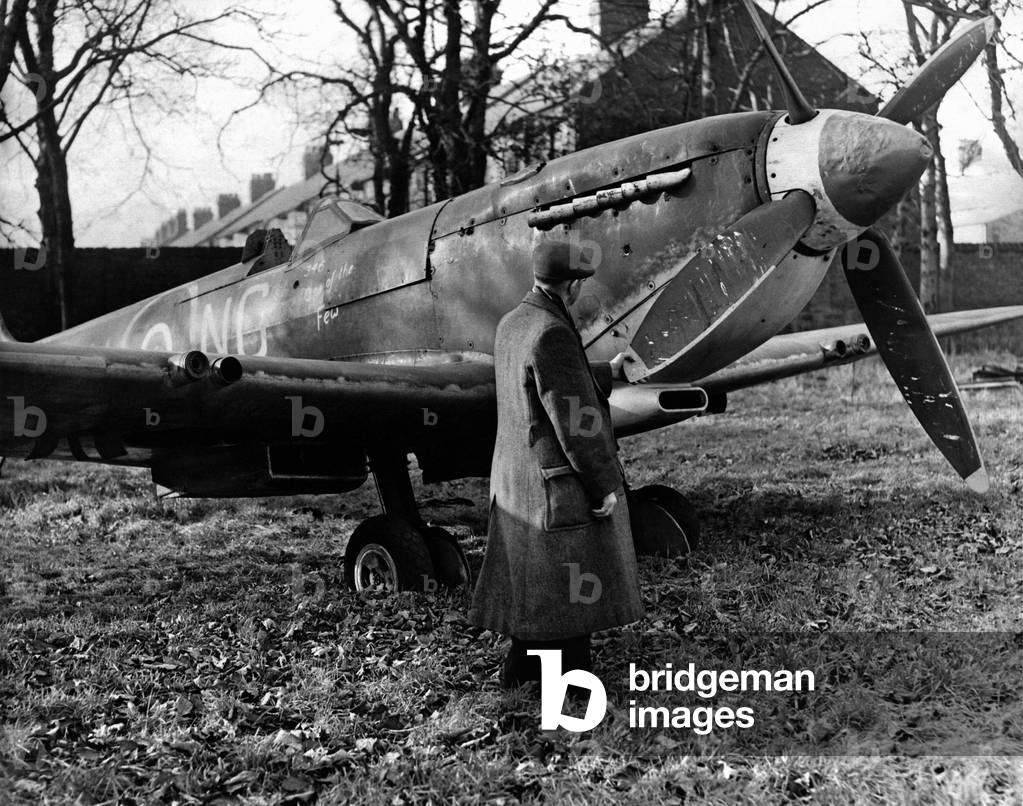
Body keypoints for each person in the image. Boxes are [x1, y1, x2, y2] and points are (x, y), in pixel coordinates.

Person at [469, 240, 644, 688]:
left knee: (537, 593)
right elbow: (575, 422)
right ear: (570, 285)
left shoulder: (514, 323)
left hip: (516, 481)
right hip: (553, 483)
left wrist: (608, 372)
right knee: (565, 596)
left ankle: (529, 682)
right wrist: (605, 484)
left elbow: (544, 381)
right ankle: (563, 686)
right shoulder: (553, 332)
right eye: (580, 283)